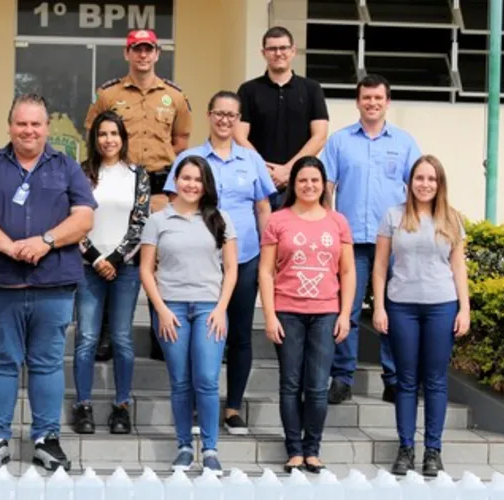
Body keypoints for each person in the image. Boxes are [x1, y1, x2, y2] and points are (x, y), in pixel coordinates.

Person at [0, 94, 97, 472]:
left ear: (47, 128)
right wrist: (10, 248)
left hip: (53, 285)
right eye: (21, 123)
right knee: (1, 363)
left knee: (47, 364)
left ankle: (46, 439)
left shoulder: (66, 167)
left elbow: (84, 218)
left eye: (36, 124)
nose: (29, 130)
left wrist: (45, 241)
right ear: (9, 126)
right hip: (0, 283)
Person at [164, 91, 275, 436]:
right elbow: (175, 205)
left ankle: (232, 407)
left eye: (232, 115)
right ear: (209, 116)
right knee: (203, 333)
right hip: (201, 263)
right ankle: (198, 404)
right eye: (219, 113)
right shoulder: (192, 158)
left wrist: (269, 257)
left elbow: (263, 210)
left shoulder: (251, 160)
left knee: (239, 334)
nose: (225, 120)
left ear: (239, 120)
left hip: (243, 260)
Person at [84, 28, 193, 361]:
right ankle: (105, 335)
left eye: (148, 50)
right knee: (110, 249)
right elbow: (95, 135)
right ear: (127, 53)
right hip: (119, 188)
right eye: (136, 49)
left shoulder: (174, 96)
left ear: (157, 53)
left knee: (159, 262)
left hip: (159, 192)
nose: (143, 55)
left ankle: (163, 334)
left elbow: (181, 141)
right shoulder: (108, 95)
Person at [321, 74, 422, 405]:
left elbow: (418, 189)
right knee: (346, 310)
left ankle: (394, 379)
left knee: (393, 309)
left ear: (387, 102)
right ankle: (342, 377)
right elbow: (327, 188)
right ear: (358, 101)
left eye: (379, 98)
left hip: (393, 243)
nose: (372, 103)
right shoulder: (339, 142)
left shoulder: (405, 143)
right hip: (350, 242)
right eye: (367, 98)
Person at [370, 155, 470, 477]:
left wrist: (464, 309)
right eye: (419, 178)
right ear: (410, 182)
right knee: (406, 380)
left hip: (442, 305)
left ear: (439, 184)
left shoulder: (452, 219)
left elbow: (458, 268)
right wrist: (380, 307)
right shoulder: (393, 216)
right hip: (402, 306)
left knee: (437, 381)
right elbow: (380, 266)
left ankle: (433, 451)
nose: (425, 184)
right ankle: (405, 449)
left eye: (431, 179)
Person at [139, 155, 238, 474]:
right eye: (186, 178)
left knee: (207, 380)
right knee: (180, 382)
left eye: (198, 179)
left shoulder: (220, 219)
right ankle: (184, 446)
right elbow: (146, 270)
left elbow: (232, 269)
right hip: (172, 309)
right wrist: (162, 310)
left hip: (210, 308)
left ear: (206, 184)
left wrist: (222, 309)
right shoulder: (158, 220)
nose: (192, 184)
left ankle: (210, 449)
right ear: (175, 182)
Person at [259, 156, 355, 473]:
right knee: (290, 384)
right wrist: (269, 316)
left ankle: (313, 449)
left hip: (326, 312)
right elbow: (266, 272)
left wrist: (344, 315)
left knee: (316, 385)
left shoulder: (337, 222)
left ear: (323, 184)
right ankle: (294, 450)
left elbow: (348, 271)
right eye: (303, 180)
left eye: (315, 180)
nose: (309, 186)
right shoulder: (278, 220)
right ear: (294, 184)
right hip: (287, 312)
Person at [72, 111, 150, 435]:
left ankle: (121, 406)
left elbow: (140, 221)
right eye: (102, 134)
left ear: (122, 137)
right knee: (86, 338)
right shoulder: (82, 173)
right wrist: (94, 256)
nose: (108, 140)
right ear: (94, 139)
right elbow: (72, 218)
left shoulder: (137, 174)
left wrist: (115, 259)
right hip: (88, 268)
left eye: (114, 134)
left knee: (121, 339)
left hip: (126, 269)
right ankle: (83, 405)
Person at [235, 26, 330, 210]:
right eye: (272, 49)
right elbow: (239, 136)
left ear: (293, 51)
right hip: (259, 183)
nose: (278, 53)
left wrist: (288, 171)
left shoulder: (311, 89)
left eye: (283, 48)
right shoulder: (248, 90)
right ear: (263, 53)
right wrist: (266, 171)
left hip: (299, 185)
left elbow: (320, 136)